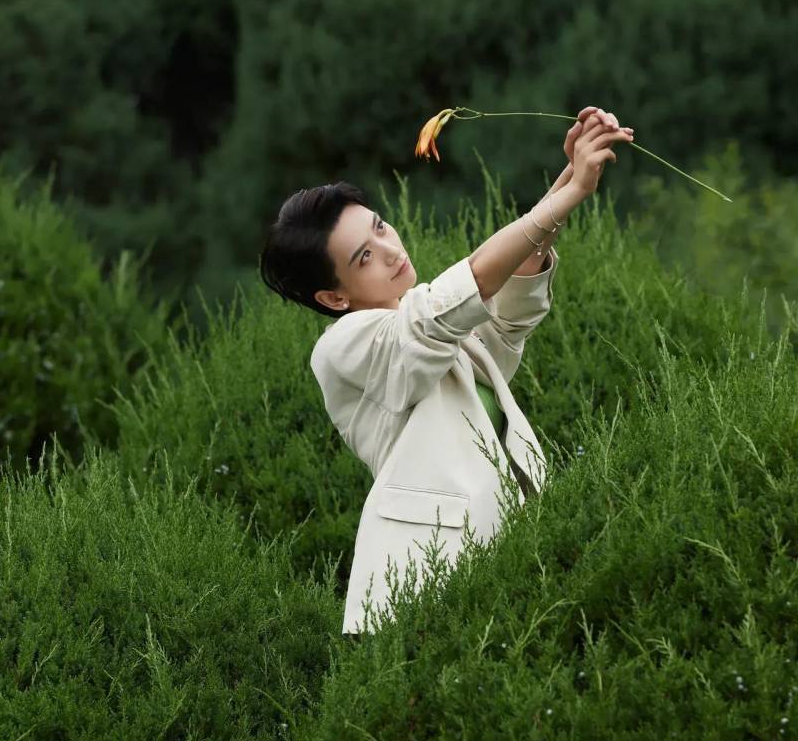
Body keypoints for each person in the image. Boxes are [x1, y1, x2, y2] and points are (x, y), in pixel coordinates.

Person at [259, 107, 633, 637]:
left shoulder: (427, 323)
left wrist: (569, 177)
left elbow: (505, 323)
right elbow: (447, 308)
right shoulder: (343, 347)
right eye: (364, 256)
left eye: (381, 227)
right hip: (429, 585)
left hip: (515, 555)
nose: (390, 250)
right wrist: (568, 197)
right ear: (333, 295)